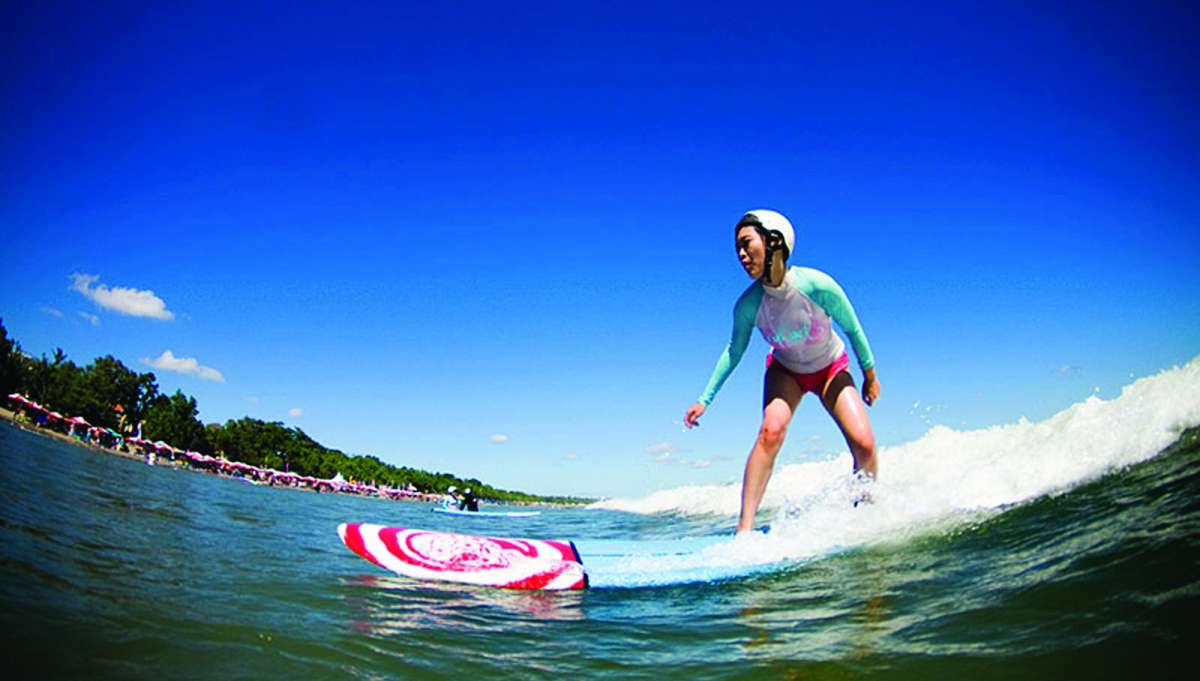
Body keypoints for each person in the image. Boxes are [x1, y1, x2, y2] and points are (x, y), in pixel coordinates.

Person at [683, 209, 881, 533]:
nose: (742, 255)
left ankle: (865, 517)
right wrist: (704, 400)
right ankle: (743, 531)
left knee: (865, 443)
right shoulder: (748, 305)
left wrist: (870, 376)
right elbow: (734, 351)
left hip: (831, 367)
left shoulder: (817, 286)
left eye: (747, 244)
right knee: (770, 431)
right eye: (738, 250)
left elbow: (853, 329)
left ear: (774, 241)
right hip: (785, 370)